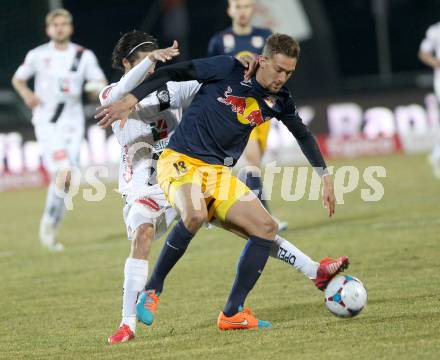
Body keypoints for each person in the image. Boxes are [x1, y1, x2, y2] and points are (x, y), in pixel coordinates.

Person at [96, 33, 349, 331]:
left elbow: (303, 134)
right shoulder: (115, 93)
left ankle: (254, 302)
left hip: (213, 173)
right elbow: (164, 74)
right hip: (167, 172)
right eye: (279, 70)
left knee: (263, 229)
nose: (283, 78)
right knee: (183, 219)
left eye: (289, 72)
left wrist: (326, 176)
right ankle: (141, 304)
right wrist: (136, 89)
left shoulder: (277, 99)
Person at [99, 31, 203, 344]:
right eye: (142, 58)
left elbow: (208, 80)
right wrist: (149, 63)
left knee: (247, 220)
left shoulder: (172, 89)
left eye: (152, 55)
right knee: (143, 235)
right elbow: (126, 88)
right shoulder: (112, 95)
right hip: (142, 189)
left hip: (181, 181)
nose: (151, 62)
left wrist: (244, 68)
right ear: (127, 64)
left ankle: (313, 271)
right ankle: (127, 323)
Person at [11, 9, 107, 251]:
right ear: (48, 29)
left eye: (64, 24)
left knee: (67, 181)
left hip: (73, 125)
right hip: (47, 123)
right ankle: (48, 226)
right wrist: (27, 95)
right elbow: (18, 79)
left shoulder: (83, 55)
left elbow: (100, 83)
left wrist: (95, 90)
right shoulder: (38, 55)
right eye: (56, 25)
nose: (60, 28)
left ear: (71, 28)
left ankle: (51, 225)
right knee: (64, 173)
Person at [208, 0, 287, 230]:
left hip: (260, 109)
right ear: (230, 10)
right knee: (250, 162)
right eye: (238, 6)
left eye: (246, 6)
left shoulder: (266, 38)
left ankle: (209, 207)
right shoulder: (219, 41)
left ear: (253, 10)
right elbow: (211, 75)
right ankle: (267, 221)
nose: (242, 11)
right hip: (233, 111)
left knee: (240, 164)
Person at [419, 22, 440, 178]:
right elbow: (424, 53)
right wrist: (437, 64)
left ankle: (436, 154)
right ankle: (436, 155)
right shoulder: (435, 30)